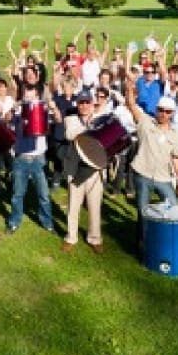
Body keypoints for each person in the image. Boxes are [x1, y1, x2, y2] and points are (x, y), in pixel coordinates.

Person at [125, 86, 178, 238]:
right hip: (143, 174)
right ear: (156, 110)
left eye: (167, 111)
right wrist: (129, 88)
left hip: (163, 177)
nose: (163, 114)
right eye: (161, 110)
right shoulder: (146, 122)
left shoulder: (176, 134)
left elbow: (177, 158)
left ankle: (169, 238)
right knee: (143, 211)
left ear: (172, 114)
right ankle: (143, 242)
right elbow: (131, 105)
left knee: (174, 206)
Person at [7, 84, 60, 234]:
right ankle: (14, 222)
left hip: (38, 159)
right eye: (26, 95)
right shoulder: (18, 111)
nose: (28, 98)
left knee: (43, 195)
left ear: (37, 97)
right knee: (18, 194)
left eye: (31, 96)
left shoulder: (42, 111)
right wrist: (13, 107)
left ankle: (47, 222)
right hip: (20, 158)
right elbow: (6, 120)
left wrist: (53, 107)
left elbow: (58, 119)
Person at [61, 89, 105, 253]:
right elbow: (70, 135)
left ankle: (95, 238)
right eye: (81, 102)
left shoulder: (101, 120)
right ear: (77, 105)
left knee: (95, 207)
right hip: (75, 169)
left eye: (87, 102)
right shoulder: (71, 119)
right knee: (73, 206)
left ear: (93, 104)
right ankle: (71, 237)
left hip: (94, 170)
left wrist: (96, 123)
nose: (85, 105)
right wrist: (90, 126)